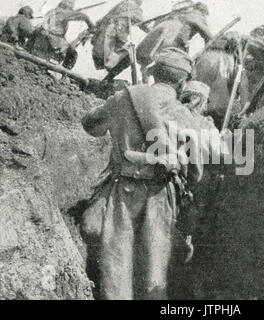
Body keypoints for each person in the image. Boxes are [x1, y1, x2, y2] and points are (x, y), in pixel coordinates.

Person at [81, 47, 224, 300]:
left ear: (154, 73)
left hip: (122, 190)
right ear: (182, 82)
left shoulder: (122, 98)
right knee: (154, 273)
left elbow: (90, 125)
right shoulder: (184, 115)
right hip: (160, 194)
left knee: (116, 266)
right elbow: (195, 171)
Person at [135, 1, 212, 82]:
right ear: (203, 13)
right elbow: (208, 37)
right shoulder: (197, 16)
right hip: (173, 43)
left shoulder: (174, 15)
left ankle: (145, 83)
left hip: (155, 44)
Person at [31, 0, 95, 69]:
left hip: (42, 36)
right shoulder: (64, 13)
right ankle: (64, 73)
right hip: (52, 39)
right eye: (70, 3)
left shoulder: (52, 11)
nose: (72, 6)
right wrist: (91, 26)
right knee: (72, 53)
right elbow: (84, 16)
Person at [91, 0, 146, 72]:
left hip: (102, 43)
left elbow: (101, 21)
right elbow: (144, 25)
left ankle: (107, 77)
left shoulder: (121, 5)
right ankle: (108, 78)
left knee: (122, 55)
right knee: (131, 54)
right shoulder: (135, 8)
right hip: (113, 40)